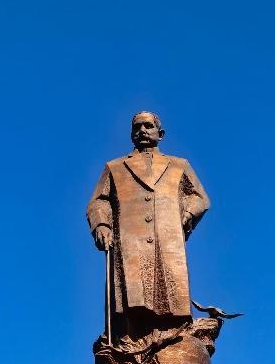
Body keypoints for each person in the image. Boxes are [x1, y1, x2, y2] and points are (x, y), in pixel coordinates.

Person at [87, 111, 209, 342]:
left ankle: (171, 335)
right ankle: (132, 340)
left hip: (167, 238)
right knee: (131, 296)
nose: (142, 130)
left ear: (160, 134)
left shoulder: (179, 165)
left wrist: (187, 213)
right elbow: (98, 201)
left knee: (170, 293)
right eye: (137, 127)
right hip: (129, 239)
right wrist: (101, 224)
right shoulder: (115, 167)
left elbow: (199, 197)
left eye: (148, 126)